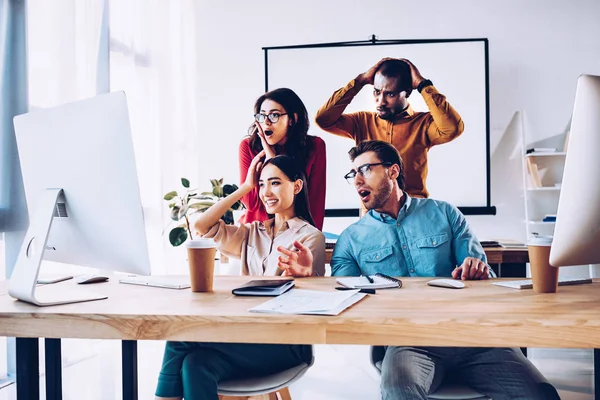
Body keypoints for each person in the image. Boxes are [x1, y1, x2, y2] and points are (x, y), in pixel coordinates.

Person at [331, 140, 560, 400]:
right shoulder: (350, 239)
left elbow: (485, 277)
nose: (357, 180)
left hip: (475, 336)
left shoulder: (445, 213)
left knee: (540, 394)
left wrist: (478, 270)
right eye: (353, 174)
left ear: (392, 171)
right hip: (409, 343)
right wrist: (306, 272)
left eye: (365, 170)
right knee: (398, 392)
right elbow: (342, 294)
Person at [155, 153, 325, 400]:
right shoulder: (252, 232)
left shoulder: (311, 237)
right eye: (262, 183)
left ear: (297, 186)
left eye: (275, 183)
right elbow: (202, 227)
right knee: (195, 364)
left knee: (181, 337)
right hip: (246, 334)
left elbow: (314, 296)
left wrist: (306, 276)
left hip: (285, 343)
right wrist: (246, 187)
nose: (266, 191)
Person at [315, 58, 463, 198]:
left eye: (390, 94)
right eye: (377, 92)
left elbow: (452, 129)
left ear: (407, 92)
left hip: (414, 211)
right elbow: (323, 119)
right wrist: (359, 82)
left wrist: (423, 85)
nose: (380, 102)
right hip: (372, 215)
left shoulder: (423, 124)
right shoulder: (361, 121)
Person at [240, 88, 326, 229]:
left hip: (296, 232)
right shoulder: (248, 146)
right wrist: (270, 160)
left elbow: (314, 203)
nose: (266, 122)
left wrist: (313, 240)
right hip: (258, 233)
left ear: (292, 119)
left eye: (274, 115)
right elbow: (251, 203)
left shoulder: (315, 146)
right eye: (262, 116)